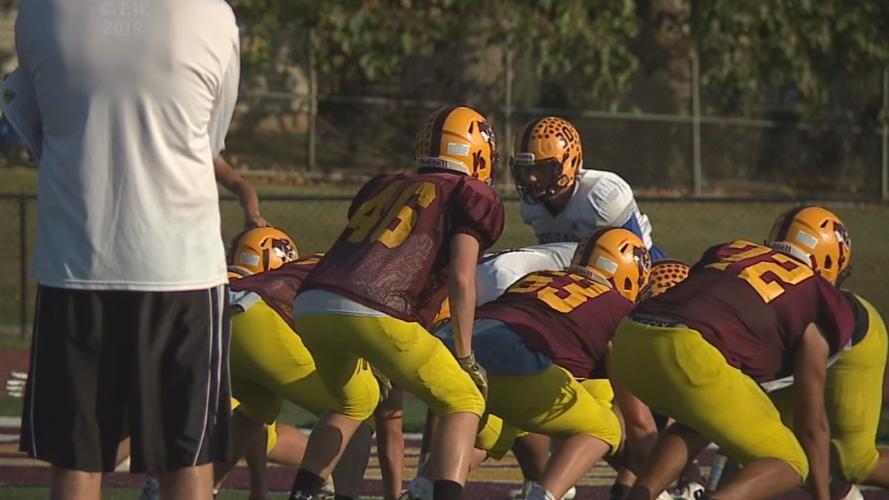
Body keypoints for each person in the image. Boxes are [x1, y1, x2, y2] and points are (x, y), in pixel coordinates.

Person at [15, 1, 240, 498]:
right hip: (180, 266)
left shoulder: (40, 11)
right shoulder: (211, 14)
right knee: (187, 456)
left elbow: (35, 130)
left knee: (76, 458)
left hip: (76, 261)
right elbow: (208, 141)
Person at [288, 105, 504, 500]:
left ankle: (302, 494)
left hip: (313, 302)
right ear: (477, 154)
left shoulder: (386, 185)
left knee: (354, 401)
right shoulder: (470, 193)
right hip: (380, 306)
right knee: (464, 398)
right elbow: (461, 277)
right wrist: (465, 355)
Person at [613, 206, 858, 500]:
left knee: (700, 421)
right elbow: (811, 423)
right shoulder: (819, 294)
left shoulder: (733, 249)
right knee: (790, 462)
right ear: (830, 259)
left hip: (629, 339)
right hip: (689, 350)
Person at [434, 228, 651, 500]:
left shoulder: (539, 276)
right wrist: (654, 476)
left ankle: (422, 489)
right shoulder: (618, 309)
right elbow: (637, 420)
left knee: (497, 428)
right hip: (510, 355)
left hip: (453, 347)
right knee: (605, 428)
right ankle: (543, 496)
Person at [510, 117, 667, 260]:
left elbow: (638, 258)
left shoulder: (602, 197)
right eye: (526, 169)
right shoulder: (531, 206)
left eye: (541, 168)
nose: (531, 178)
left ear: (569, 163)